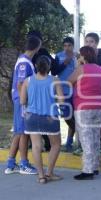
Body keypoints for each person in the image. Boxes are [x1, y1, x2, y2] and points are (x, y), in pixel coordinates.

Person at [20, 56, 64, 184]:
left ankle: (41, 176)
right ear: (49, 66)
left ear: (35, 67)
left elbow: (22, 101)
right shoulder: (55, 80)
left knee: (36, 146)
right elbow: (61, 101)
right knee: (56, 144)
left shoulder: (27, 81)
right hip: (50, 117)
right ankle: (49, 173)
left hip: (31, 117)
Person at [69, 46, 101, 180]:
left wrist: (78, 66)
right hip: (99, 106)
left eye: (80, 55)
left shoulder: (80, 69)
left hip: (83, 106)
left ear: (83, 56)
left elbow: (69, 81)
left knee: (86, 139)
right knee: (96, 137)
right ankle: (95, 167)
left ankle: (87, 171)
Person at [5, 36, 41, 175]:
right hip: (22, 101)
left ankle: (10, 163)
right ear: (37, 47)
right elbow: (20, 83)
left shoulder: (24, 60)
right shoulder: (24, 63)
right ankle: (24, 164)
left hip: (21, 100)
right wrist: (24, 102)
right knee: (24, 133)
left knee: (19, 133)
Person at [84, 32, 101, 151]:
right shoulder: (82, 56)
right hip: (85, 98)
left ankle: (99, 143)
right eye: (87, 41)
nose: (89, 44)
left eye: (91, 42)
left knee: (100, 124)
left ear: (96, 43)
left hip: (100, 97)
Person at [52, 37, 76, 152]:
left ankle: (69, 142)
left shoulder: (78, 56)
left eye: (69, 46)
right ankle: (77, 129)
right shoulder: (59, 56)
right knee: (66, 116)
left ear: (73, 46)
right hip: (63, 92)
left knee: (74, 115)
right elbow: (54, 71)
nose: (67, 48)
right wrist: (65, 63)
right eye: (65, 46)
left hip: (76, 91)